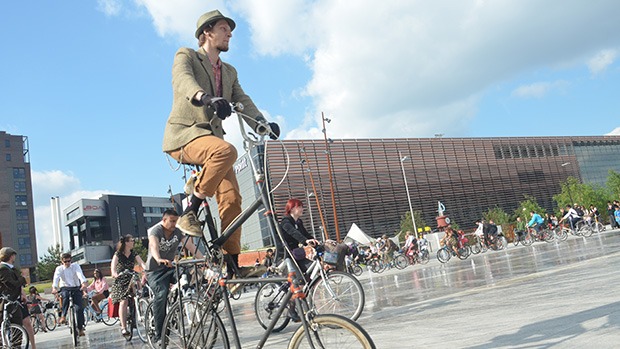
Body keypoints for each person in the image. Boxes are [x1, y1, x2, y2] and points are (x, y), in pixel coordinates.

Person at [162, 9, 280, 278]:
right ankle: (189, 210)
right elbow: (182, 81)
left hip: (212, 143)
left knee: (232, 199)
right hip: (185, 136)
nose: (229, 34)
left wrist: (263, 124)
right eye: (225, 29)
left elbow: (243, 100)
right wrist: (205, 97)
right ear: (207, 32)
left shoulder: (229, 71)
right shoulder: (187, 55)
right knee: (226, 150)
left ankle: (233, 265)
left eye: (230, 31)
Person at [146, 209, 204, 344]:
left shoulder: (178, 232)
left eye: (176, 221)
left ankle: (180, 302)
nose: (174, 224)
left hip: (171, 267)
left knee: (188, 273)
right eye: (171, 221)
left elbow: (190, 246)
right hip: (154, 271)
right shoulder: (156, 231)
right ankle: (159, 334)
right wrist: (158, 258)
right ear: (164, 220)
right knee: (161, 294)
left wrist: (202, 259)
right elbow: (154, 246)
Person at [110, 235, 147, 336]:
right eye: (132, 241)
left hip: (131, 275)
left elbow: (141, 263)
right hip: (121, 278)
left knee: (137, 289)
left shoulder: (133, 253)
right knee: (124, 301)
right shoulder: (118, 254)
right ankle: (123, 327)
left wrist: (146, 269)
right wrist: (115, 274)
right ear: (126, 243)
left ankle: (138, 303)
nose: (133, 242)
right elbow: (113, 267)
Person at [0, 247, 37, 349]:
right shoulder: (3, 269)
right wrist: (22, 279)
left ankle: (20, 346)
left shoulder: (12, 268)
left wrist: (23, 294)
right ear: (11, 256)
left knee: (20, 325)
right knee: (15, 325)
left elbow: (19, 285)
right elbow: (11, 285)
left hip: (16, 300)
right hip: (8, 301)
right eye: (14, 256)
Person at [52, 252, 87, 337]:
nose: (67, 263)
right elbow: (56, 278)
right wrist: (54, 288)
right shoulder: (59, 269)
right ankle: (63, 316)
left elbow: (80, 275)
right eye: (65, 262)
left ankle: (80, 328)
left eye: (69, 261)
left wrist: (83, 283)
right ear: (62, 261)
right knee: (65, 297)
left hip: (76, 288)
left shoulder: (75, 266)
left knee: (79, 309)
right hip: (65, 288)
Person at [279, 198, 319, 274]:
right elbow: (293, 232)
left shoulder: (298, 222)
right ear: (292, 208)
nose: (302, 209)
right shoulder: (285, 222)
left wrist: (314, 240)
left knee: (312, 269)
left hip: (297, 253)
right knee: (298, 279)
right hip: (287, 254)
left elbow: (305, 234)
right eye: (299, 207)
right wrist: (305, 241)